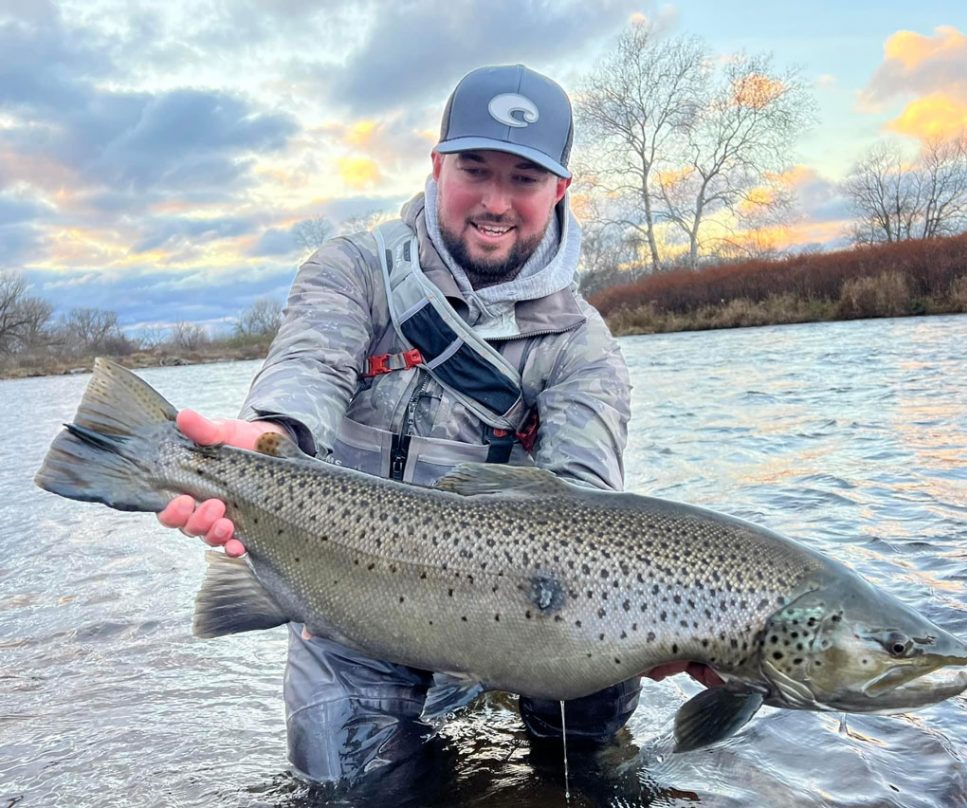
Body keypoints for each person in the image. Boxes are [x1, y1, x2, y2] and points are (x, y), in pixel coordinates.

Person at [158, 64, 716, 785]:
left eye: (523, 179)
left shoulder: (583, 347)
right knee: (349, 790)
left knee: (593, 761)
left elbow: (586, 506)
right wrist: (269, 447)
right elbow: (308, 373)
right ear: (436, 166)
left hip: (527, 615)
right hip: (349, 598)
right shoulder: (352, 271)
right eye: (474, 169)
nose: (494, 201)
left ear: (561, 191)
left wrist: (666, 626)